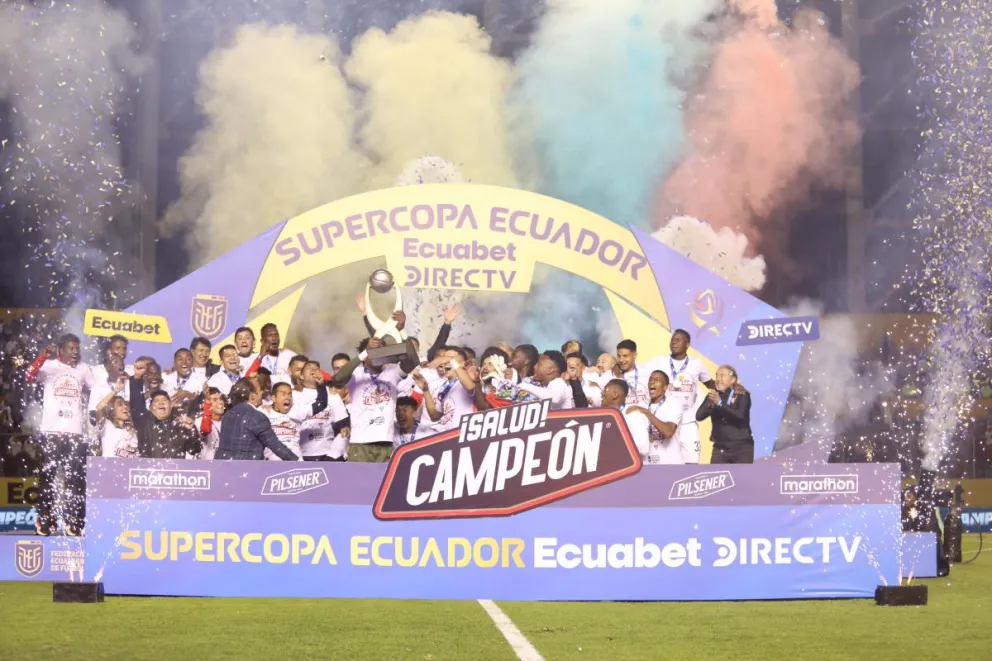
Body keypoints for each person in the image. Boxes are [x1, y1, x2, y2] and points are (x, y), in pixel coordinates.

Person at [25, 334, 93, 536]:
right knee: (49, 479)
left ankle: (75, 522)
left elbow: (95, 388)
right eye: (71, 348)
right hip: (51, 432)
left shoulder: (83, 369)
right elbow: (28, 376)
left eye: (77, 348)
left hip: (75, 433)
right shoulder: (49, 366)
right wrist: (40, 357)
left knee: (76, 480)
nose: (75, 352)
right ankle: (45, 521)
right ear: (60, 350)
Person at [332, 325, 418, 462]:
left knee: (384, 483)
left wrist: (402, 330)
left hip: (386, 443)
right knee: (359, 483)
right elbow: (337, 379)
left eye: (382, 350)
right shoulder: (356, 374)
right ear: (365, 356)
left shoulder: (392, 372)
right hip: (360, 443)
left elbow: (413, 361)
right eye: (375, 350)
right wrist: (365, 352)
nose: (380, 353)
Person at [653, 329, 716, 464]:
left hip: (688, 422)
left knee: (692, 463)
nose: (674, 342)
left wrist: (732, 387)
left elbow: (710, 384)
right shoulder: (659, 361)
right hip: (666, 422)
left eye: (678, 340)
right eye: (672, 339)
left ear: (687, 344)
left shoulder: (697, 364)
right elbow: (638, 372)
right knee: (665, 463)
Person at [215, 377, 300, 461]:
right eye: (259, 390)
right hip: (248, 470)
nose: (262, 392)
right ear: (252, 396)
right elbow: (276, 446)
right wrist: (298, 462)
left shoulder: (227, 415)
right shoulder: (257, 417)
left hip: (224, 469)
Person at [412, 347, 477, 439]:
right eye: (444, 358)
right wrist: (425, 390)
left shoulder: (465, 380)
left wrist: (450, 360)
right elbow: (434, 416)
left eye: (450, 358)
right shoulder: (444, 387)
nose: (445, 361)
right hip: (449, 436)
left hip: (465, 435)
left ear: (462, 364)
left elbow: (470, 386)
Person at [695, 365, 754, 464]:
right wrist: (711, 405)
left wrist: (719, 404)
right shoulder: (713, 395)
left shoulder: (742, 394)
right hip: (720, 449)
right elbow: (699, 416)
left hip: (741, 449)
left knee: (742, 479)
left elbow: (740, 416)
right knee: (715, 477)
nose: (718, 379)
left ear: (732, 379)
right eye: (717, 375)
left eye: (722, 376)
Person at [626, 371, 684, 464]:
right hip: (648, 464)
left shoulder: (674, 404)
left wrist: (646, 412)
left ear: (665, 387)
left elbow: (668, 432)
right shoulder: (642, 404)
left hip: (671, 464)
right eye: (650, 379)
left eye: (657, 380)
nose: (652, 382)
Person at [262, 380, 329, 460]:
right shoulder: (263, 412)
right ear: (273, 398)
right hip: (271, 460)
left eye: (290, 394)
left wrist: (321, 385)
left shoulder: (296, 410)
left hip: (295, 460)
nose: (287, 397)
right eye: (283, 394)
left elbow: (321, 404)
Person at [129, 387, 202, 459]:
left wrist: (191, 430)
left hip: (175, 469)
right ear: (151, 408)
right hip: (149, 469)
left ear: (171, 405)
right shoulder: (143, 422)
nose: (161, 403)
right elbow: (136, 405)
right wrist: (137, 379)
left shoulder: (180, 425)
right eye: (156, 401)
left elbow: (195, 450)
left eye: (164, 400)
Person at [518, 350, 588, 410]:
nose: (534, 366)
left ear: (550, 370)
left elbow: (555, 398)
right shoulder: (543, 386)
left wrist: (521, 384)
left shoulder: (558, 382)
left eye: (539, 364)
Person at [600, 378, 650, 459]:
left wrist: (612, 445)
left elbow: (643, 448)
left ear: (615, 394)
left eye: (606, 389)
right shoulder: (602, 416)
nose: (602, 393)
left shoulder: (633, 415)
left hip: (630, 469)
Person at [196, 387, 226, 460]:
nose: (220, 402)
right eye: (215, 400)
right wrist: (208, 404)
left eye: (221, 399)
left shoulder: (228, 421)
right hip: (207, 466)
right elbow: (205, 429)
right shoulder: (199, 421)